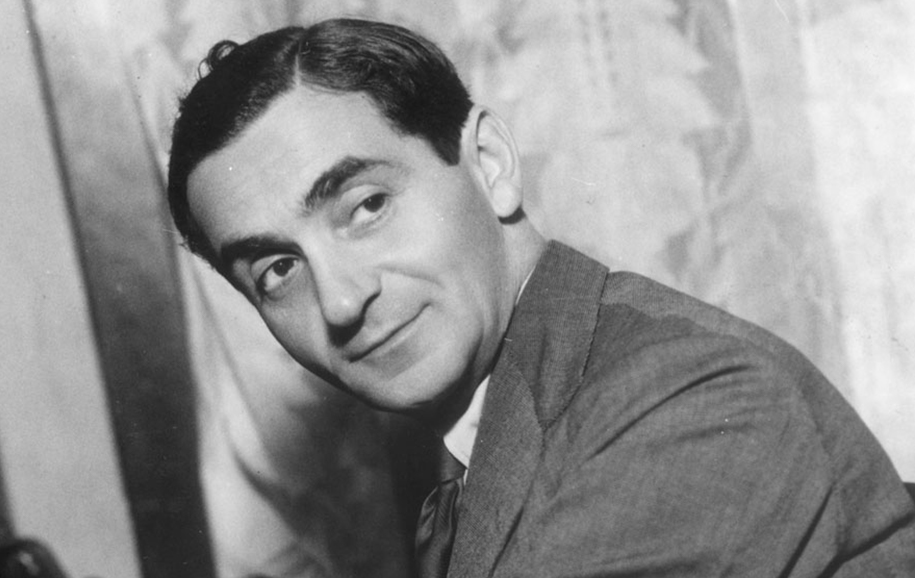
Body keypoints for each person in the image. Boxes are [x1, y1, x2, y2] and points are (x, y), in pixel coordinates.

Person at [165, 18, 915, 577]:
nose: (339, 300)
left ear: (489, 164)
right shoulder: (485, 452)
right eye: (277, 270)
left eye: (366, 206)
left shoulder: (685, 400)